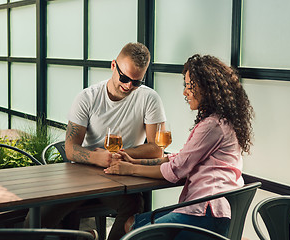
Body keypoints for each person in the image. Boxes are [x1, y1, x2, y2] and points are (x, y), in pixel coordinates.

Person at [25, 42, 166, 240]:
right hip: (80, 174)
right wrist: (97, 158)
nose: (128, 86)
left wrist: (123, 155)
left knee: (134, 206)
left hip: (120, 174)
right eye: (124, 78)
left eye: (136, 82)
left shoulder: (150, 98)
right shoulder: (87, 97)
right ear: (113, 66)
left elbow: (156, 149)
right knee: (36, 218)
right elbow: (71, 148)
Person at [104, 54, 254, 238]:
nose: (185, 92)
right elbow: (180, 158)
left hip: (205, 213)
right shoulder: (224, 122)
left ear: (207, 88)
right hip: (217, 211)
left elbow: (176, 169)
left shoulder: (212, 126)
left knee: (137, 230)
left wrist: (130, 169)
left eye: (190, 86)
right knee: (131, 223)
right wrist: (136, 160)